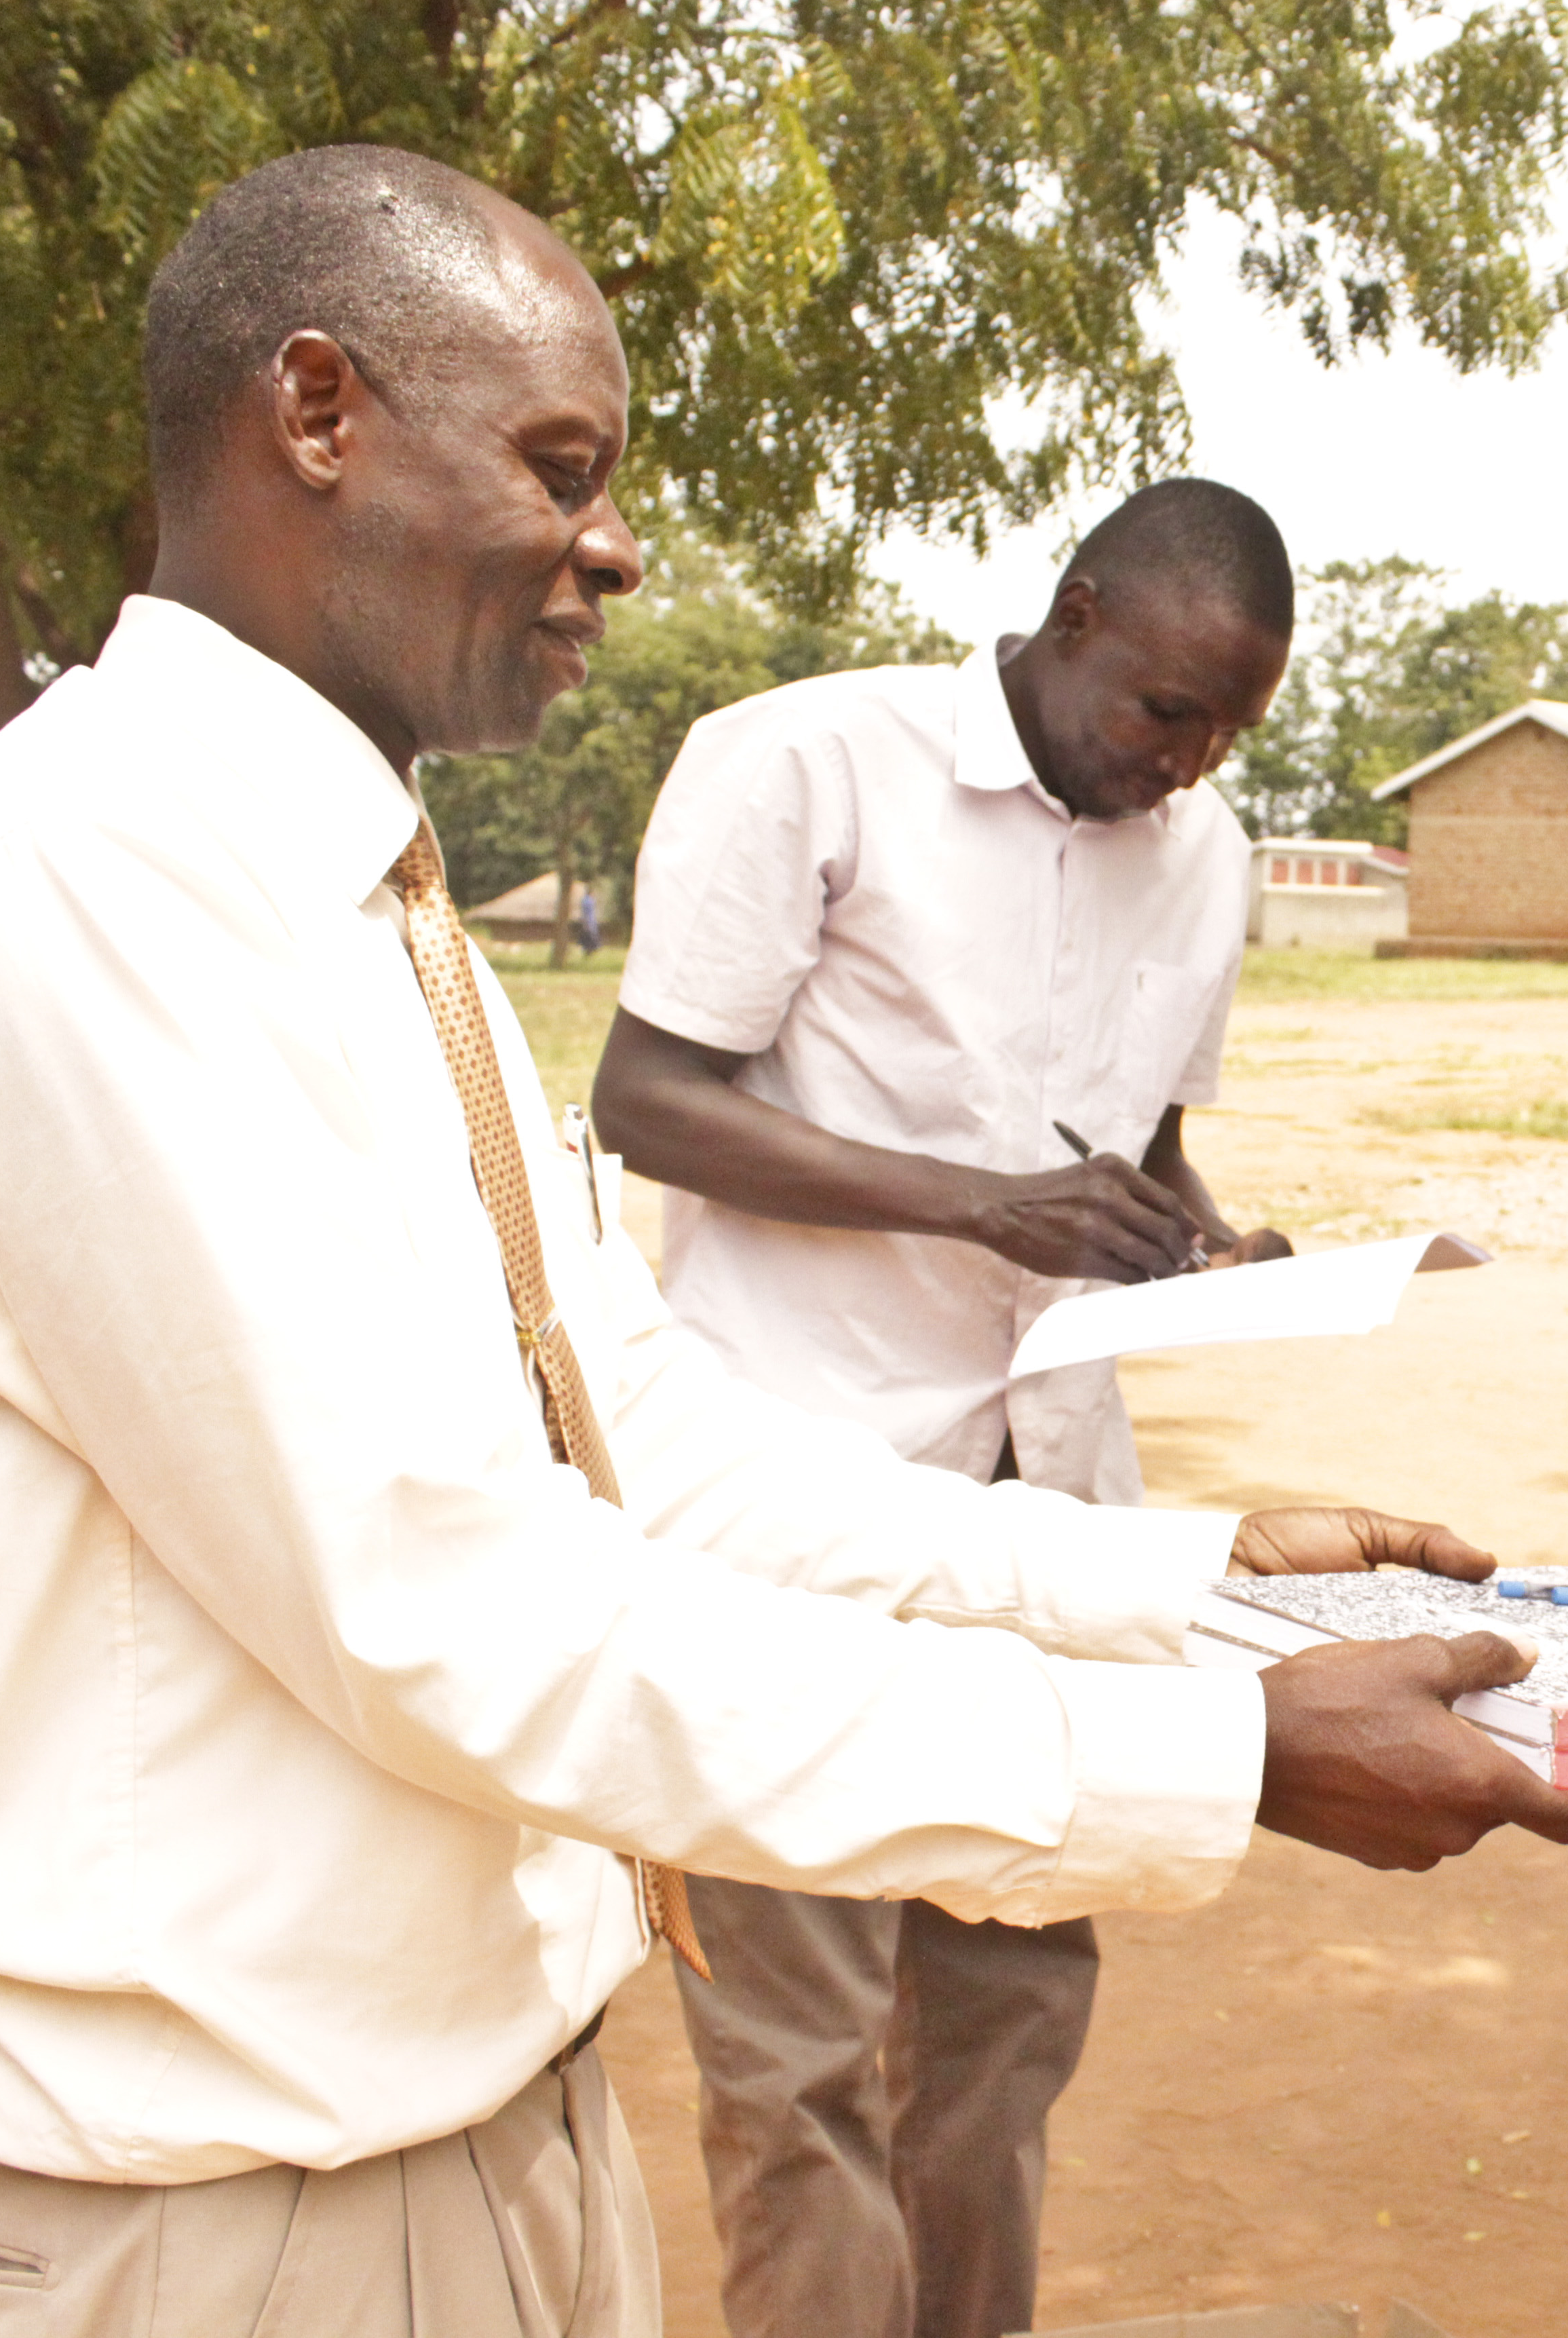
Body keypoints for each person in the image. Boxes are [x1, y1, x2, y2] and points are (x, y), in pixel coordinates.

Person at [0, 145, 1568, 2337]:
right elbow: (458, 1604)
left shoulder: (356, 905)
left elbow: (632, 1424)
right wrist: (1221, 1753)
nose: (615, 546)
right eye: (563, 468)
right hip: (208, 2224)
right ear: (320, 412)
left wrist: (1185, 1577)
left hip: (488, 2120)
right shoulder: (81, 905)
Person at [584, 477, 1298, 2338]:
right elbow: (648, 1101)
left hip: (1048, 1527)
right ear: (1073, 619)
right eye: (1164, 710)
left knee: (1003, 2038)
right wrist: (984, 1204)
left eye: (1230, 729)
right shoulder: (806, 763)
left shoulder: (1203, 849)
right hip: (792, 1508)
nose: (1190, 760)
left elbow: (1143, 1143)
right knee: (801, 2063)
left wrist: (1214, 1245)